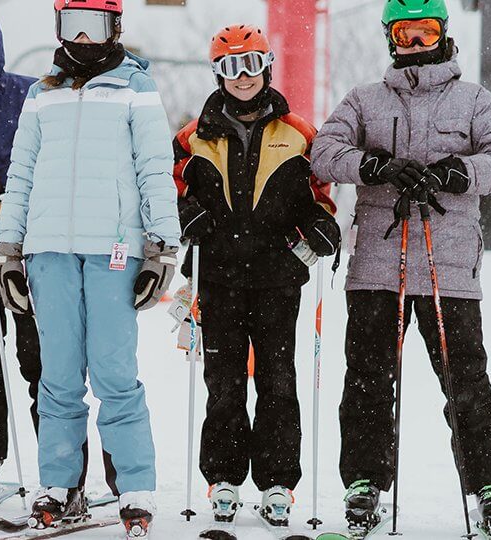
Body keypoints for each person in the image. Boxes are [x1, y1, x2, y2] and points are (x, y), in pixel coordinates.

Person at [311, 0, 491, 537]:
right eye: (404, 34)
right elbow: (324, 153)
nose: (414, 44)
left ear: (442, 34)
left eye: (424, 32)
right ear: (390, 38)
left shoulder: (475, 99)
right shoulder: (364, 99)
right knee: (368, 382)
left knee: (466, 381)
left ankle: (488, 486)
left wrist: (458, 171)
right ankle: (364, 483)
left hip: (449, 267)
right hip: (377, 268)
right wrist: (373, 165)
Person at [0, 0, 179, 535]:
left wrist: (162, 246)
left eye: (93, 25)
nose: (81, 36)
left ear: (115, 28)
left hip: (113, 247)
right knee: (58, 375)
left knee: (114, 371)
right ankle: (61, 483)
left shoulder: (135, 88)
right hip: (47, 248)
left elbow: (154, 167)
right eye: (70, 24)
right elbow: (20, 171)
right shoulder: (41, 93)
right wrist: (9, 249)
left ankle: (135, 486)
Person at [0, 2, 117, 499]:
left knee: (43, 357)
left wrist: (15, 198)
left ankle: (61, 464)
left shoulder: (30, 95)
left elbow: (54, 161)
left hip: (34, 250)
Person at [172, 24, 340, 526]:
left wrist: (321, 225)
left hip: (276, 276)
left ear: (266, 67)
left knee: (277, 379)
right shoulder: (192, 136)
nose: (241, 78)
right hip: (219, 276)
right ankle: (223, 476)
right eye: (229, 67)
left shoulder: (299, 132)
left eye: (250, 66)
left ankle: (277, 482)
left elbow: (318, 196)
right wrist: (189, 216)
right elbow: (171, 191)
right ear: (218, 74)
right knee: (222, 382)